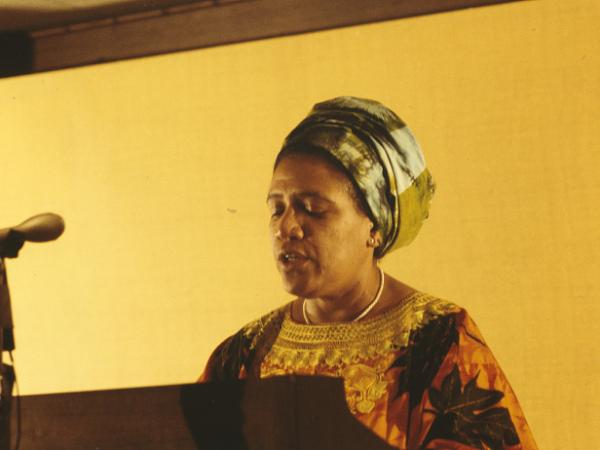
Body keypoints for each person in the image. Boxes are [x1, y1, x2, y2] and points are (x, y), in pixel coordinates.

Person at [199, 97, 537, 449]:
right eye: (276, 209)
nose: (287, 227)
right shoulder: (242, 355)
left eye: (312, 209)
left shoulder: (438, 340)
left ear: (374, 225)